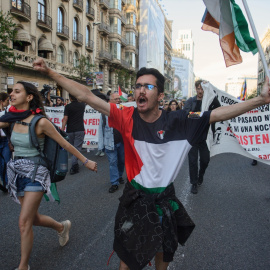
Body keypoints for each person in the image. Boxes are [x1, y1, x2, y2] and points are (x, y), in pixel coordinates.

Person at [33, 58, 270, 270]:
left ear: (160, 96)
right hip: (135, 198)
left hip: (164, 199)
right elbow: (87, 96)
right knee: (126, 260)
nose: (140, 90)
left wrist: (260, 99)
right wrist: (51, 73)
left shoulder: (181, 121)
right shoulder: (126, 117)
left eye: (148, 86)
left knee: (162, 256)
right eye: (137, 86)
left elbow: (219, 114)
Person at [0, 81, 97, 270]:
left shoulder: (41, 122)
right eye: (11, 91)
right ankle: (61, 227)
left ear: (29, 97)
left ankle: (23, 266)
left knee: (23, 222)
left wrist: (86, 161)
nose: (12, 94)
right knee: (32, 219)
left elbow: (66, 143)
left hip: (37, 172)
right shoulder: (9, 118)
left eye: (17, 91)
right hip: (17, 171)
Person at [183, 80, 221, 194]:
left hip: (205, 136)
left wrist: (212, 95)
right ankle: (194, 183)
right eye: (198, 89)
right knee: (193, 161)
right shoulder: (191, 101)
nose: (200, 91)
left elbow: (218, 108)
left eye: (203, 89)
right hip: (192, 136)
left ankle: (201, 175)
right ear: (196, 89)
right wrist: (200, 115)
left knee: (205, 159)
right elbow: (185, 114)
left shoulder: (209, 101)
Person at [98, 92, 125, 193]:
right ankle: (114, 182)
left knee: (121, 161)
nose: (118, 100)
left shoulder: (123, 109)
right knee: (113, 162)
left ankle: (119, 175)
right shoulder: (104, 112)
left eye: (119, 99)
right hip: (110, 143)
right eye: (116, 99)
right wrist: (101, 145)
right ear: (110, 101)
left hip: (122, 142)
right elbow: (100, 129)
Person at [62, 94, 86, 175]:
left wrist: (62, 128)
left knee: (72, 148)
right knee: (77, 148)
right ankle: (74, 166)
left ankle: (75, 163)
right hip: (79, 129)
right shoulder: (82, 105)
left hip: (70, 130)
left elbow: (65, 118)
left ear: (70, 98)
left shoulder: (68, 107)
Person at [0, 92, 12, 191]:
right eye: (7, 100)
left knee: (6, 162)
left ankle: (7, 183)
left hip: (6, 141)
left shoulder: (7, 113)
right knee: (1, 164)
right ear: (2, 102)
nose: (9, 102)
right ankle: (4, 182)